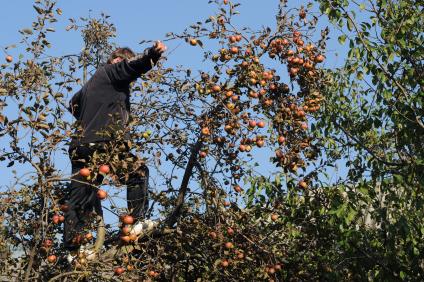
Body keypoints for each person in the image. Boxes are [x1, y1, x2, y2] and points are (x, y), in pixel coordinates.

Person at [64, 41, 167, 251]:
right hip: (102, 145)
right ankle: (136, 222)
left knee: (81, 195)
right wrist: (152, 55)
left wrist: (92, 116)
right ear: (117, 60)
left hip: (81, 146)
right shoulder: (111, 72)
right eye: (123, 62)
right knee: (138, 172)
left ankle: (73, 250)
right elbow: (132, 67)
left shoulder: (91, 85)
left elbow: (72, 104)